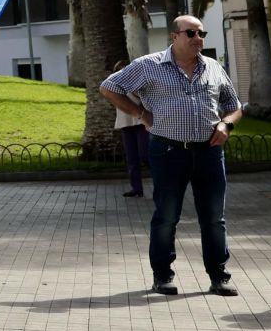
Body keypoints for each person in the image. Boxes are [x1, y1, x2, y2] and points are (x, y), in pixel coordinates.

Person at [101, 17, 243, 297]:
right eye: (191, 32)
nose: (198, 37)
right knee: (166, 216)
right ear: (173, 36)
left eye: (201, 32)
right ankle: (162, 276)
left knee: (214, 217)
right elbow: (109, 86)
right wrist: (140, 114)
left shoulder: (213, 67)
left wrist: (227, 124)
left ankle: (219, 277)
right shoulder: (149, 65)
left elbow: (234, 105)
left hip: (210, 152)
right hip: (168, 151)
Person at [106, 58, 147, 198]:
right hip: (125, 124)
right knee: (131, 158)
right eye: (120, 71)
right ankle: (136, 188)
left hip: (141, 123)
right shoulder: (113, 86)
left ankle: (163, 185)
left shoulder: (137, 85)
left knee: (145, 154)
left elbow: (142, 99)